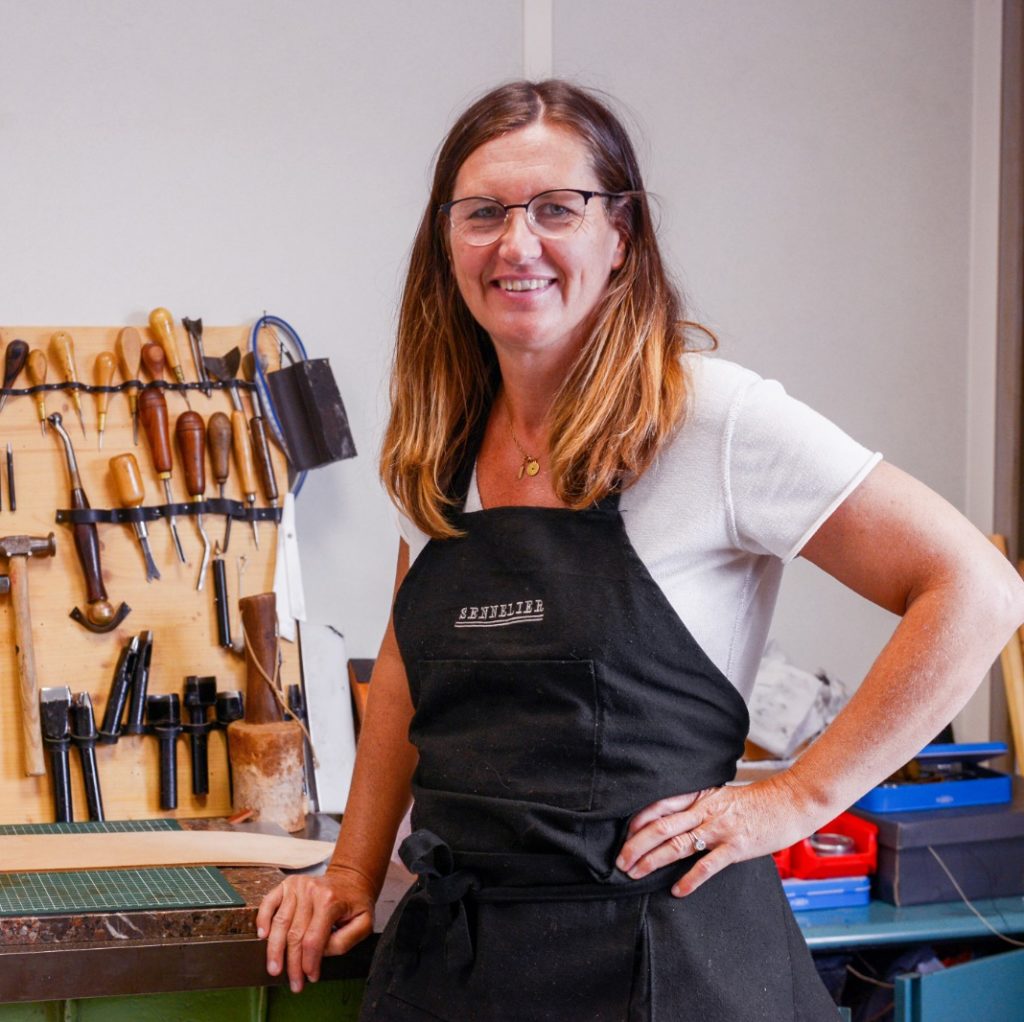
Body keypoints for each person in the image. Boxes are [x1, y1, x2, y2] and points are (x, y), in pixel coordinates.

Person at [257, 80, 1024, 1020]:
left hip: (668, 969)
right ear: (446, 243)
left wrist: (794, 800)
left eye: (556, 209)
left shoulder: (708, 418)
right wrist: (350, 869)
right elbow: (412, 674)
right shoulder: (442, 443)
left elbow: (976, 589)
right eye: (484, 213)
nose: (517, 242)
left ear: (620, 236)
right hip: (462, 973)